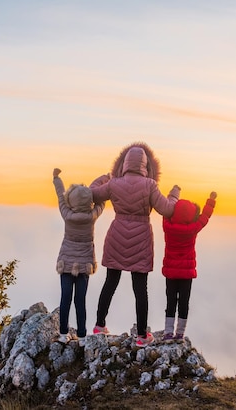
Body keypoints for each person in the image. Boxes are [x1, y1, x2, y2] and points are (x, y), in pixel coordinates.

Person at [90, 142, 180, 348]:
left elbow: (92, 194)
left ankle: (99, 325)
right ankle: (141, 335)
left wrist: (105, 178)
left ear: (124, 163)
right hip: (140, 239)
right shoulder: (150, 185)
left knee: (110, 282)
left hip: (117, 236)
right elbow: (167, 210)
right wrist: (174, 195)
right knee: (140, 288)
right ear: (145, 165)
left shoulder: (114, 184)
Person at [53, 167, 106, 346]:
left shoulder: (67, 215)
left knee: (65, 298)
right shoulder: (92, 216)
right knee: (80, 301)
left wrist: (56, 178)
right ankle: (82, 336)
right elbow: (101, 203)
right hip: (84, 265)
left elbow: (60, 195)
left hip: (66, 262)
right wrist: (106, 182)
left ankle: (62, 333)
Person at [161, 191, 216, 342]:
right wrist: (210, 201)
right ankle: (180, 333)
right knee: (184, 302)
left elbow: (166, 210)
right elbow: (204, 218)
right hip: (186, 273)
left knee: (170, 302)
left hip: (171, 272)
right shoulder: (193, 228)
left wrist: (173, 195)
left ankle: (168, 332)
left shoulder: (167, 226)